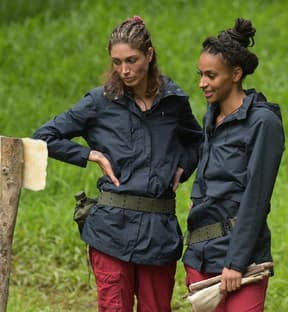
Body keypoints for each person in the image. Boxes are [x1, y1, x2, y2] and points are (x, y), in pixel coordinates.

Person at [33, 16, 202, 311]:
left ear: (149, 55)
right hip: (110, 231)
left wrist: (183, 165)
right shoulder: (99, 102)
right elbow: (43, 137)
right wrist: (89, 155)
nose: (124, 70)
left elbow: (197, 141)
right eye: (116, 62)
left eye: (131, 60)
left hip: (158, 233)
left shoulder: (174, 102)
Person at [183, 18, 285, 311]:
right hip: (199, 257)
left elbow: (257, 197)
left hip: (241, 260)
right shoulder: (211, 116)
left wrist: (235, 262)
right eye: (200, 74)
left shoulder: (263, 122)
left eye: (211, 76)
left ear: (236, 74)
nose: (202, 83)